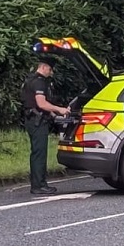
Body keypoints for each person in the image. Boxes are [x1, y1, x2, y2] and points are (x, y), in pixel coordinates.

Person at [21, 57, 71, 195]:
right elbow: (41, 104)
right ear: (43, 67)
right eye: (49, 69)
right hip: (37, 122)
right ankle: (39, 186)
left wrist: (54, 116)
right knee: (39, 153)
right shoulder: (39, 82)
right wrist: (59, 109)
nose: (51, 72)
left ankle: (38, 184)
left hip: (34, 119)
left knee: (37, 153)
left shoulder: (31, 80)